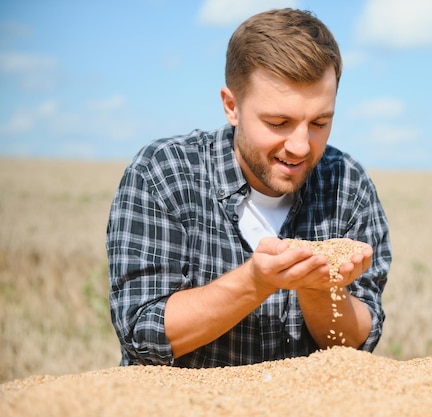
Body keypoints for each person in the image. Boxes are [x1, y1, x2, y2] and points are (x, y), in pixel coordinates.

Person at [106, 8, 392, 368]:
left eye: (319, 122)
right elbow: (141, 332)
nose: (301, 146)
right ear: (232, 106)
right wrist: (256, 281)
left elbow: (356, 345)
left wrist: (320, 288)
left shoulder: (347, 187)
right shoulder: (164, 174)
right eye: (278, 122)